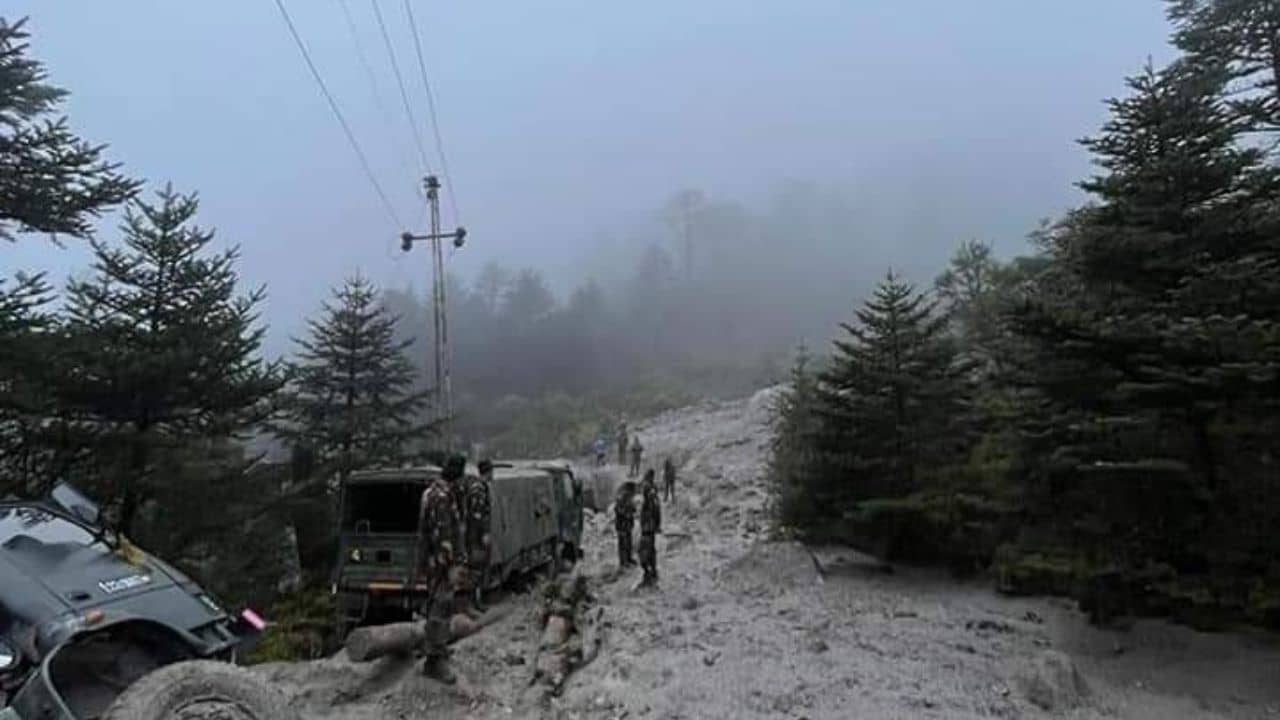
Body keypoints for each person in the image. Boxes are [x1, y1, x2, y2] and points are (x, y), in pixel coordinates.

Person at [415, 454, 465, 684]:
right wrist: (452, 565)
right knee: (441, 608)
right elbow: (444, 535)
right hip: (441, 564)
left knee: (435, 605)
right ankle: (434, 661)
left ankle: (437, 650)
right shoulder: (443, 497)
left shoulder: (429, 492)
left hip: (431, 562)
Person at [462, 458, 494, 616]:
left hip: (476, 536)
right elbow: (477, 516)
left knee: (479, 571)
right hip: (475, 538)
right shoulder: (478, 489)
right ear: (488, 471)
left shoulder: (480, 487)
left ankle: (476, 601)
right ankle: (471, 603)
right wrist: (483, 534)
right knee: (475, 571)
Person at [638, 469, 662, 588]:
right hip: (649, 527)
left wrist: (656, 525)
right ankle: (651, 572)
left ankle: (649, 573)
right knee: (650, 550)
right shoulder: (652, 500)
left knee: (645, 551)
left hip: (648, 528)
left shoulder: (651, 502)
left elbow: (656, 513)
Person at [614, 482, 636, 568]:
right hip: (622, 525)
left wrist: (631, 511)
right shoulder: (621, 498)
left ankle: (629, 558)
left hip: (628, 524)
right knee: (623, 544)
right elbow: (618, 510)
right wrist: (626, 513)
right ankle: (623, 562)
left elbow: (633, 509)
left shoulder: (629, 499)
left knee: (629, 542)